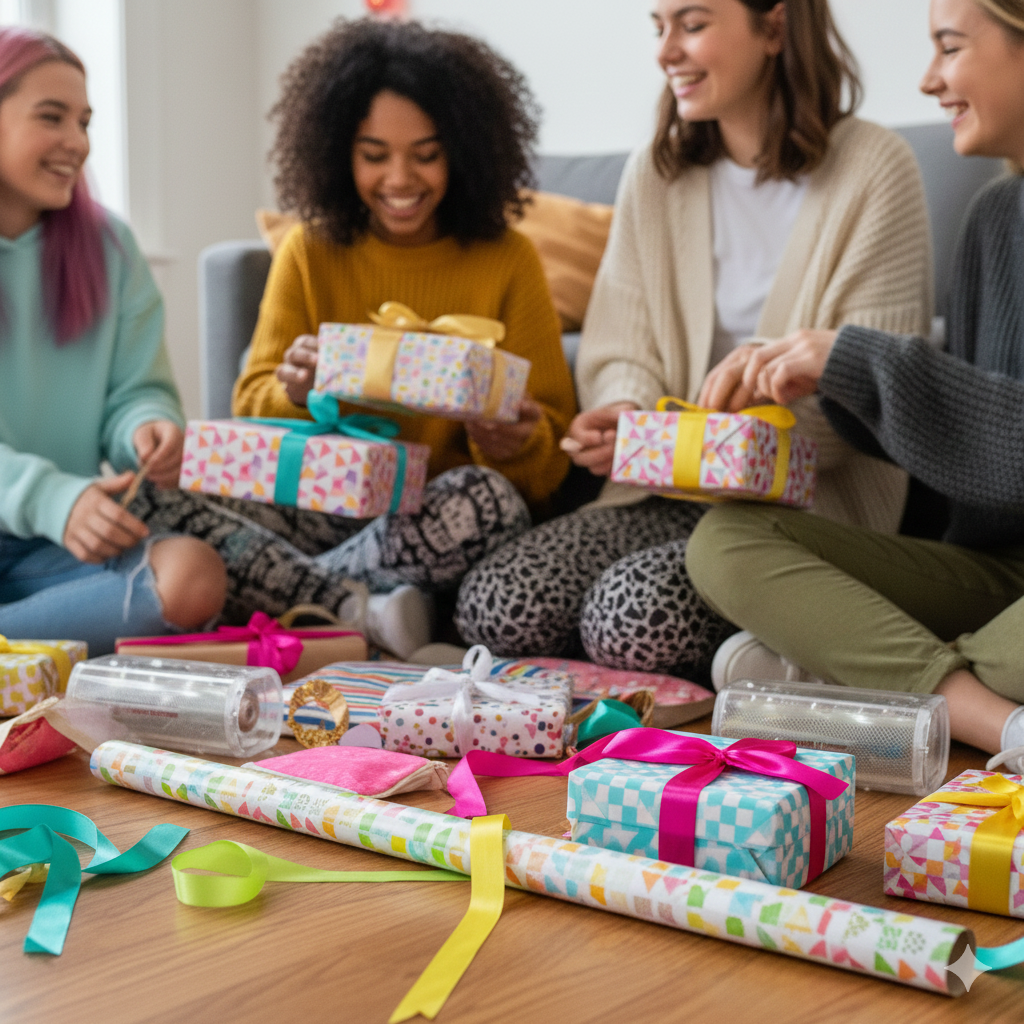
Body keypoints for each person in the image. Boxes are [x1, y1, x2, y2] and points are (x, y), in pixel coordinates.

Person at [456, 0, 932, 677]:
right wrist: (625, 414)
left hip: (797, 518)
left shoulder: (877, 169)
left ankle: (791, 645)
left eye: (694, 23)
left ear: (775, 26)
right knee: (496, 606)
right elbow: (619, 347)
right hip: (664, 496)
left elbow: (869, 400)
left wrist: (722, 439)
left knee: (630, 619)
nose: (665, 51)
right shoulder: (657, 173)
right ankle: (754, 654)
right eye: (659, 27)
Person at [137, 18, 576, 657]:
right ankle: (360, 606)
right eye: (375, 155)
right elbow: (250, 403)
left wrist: (511, 440)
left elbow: (548, 464)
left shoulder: (509, 260)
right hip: (319, 504)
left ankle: (291, 591)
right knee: (154, 489)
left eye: (426, 154)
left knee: (490, 502)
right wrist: (297, 387)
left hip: (427, 519)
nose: (400, 180)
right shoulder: (308, 250)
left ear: (463, 150)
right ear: (340, 153)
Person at [686, 0, 1024, 768]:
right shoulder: (994, 216)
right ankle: (991, 718)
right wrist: (820, 384)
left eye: (950, 46)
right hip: (996, 572)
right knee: (725, 541)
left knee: (1012, 655)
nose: (929, 79)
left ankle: (864, 683)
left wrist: (857, 358)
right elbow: (982, 464)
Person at [0, 28, 225, 655]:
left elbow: (137, 388)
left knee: (192, 577)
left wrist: (146, 427)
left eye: (85, 121)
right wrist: (49, 498)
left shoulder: (109, 247)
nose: (77, 142)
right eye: (52, 117)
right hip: (55, 514)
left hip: (51, 547)